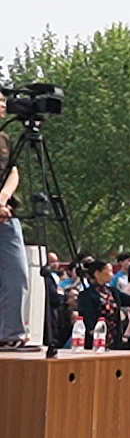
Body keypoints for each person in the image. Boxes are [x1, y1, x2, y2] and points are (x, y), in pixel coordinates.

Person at [0, 134, 33, 351]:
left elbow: (13, 171)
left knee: (17, 274)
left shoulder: (3, 138)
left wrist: (2, 198)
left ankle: (10, 334)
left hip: (6, 216)